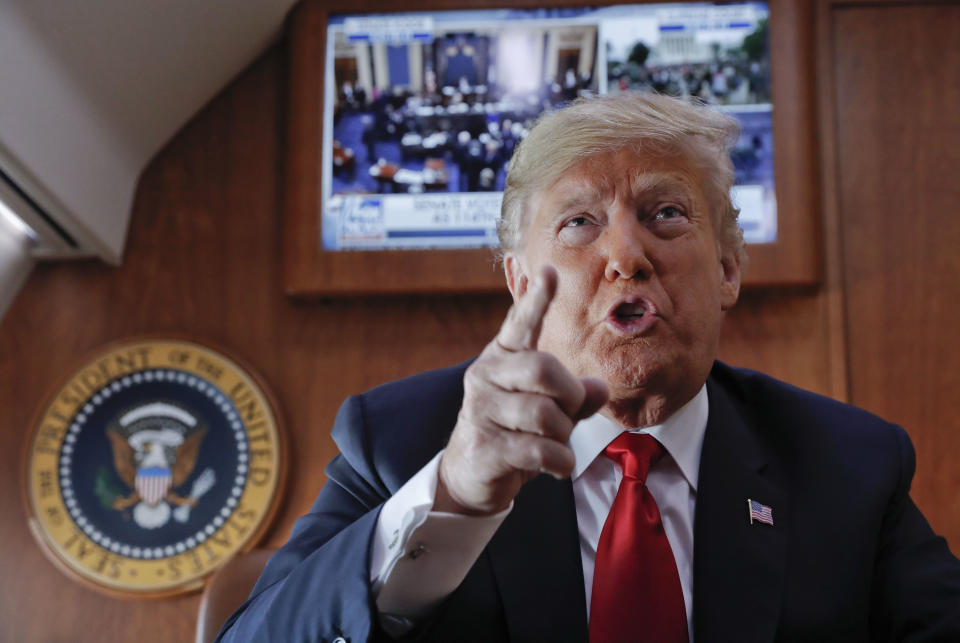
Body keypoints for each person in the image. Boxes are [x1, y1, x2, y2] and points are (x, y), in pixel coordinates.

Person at [217, 93, 960, 642]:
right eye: (579, 222)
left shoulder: (850, 464)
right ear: (519, 282)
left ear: (730, 268)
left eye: (666, 213)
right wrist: (452, 497)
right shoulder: (402, 440)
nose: (625, 257)